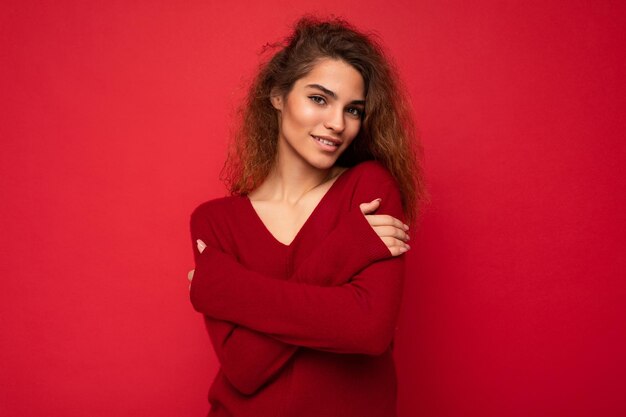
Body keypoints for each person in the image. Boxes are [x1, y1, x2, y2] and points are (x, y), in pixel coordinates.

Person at [187, 15, 427, 417]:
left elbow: (368, 331)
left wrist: (228, 288)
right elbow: (244, 368)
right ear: (278, 96)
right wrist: (348, 247)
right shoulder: (215, 222)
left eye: (353, 109)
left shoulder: (369, 188)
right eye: (319, 98)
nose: (337, 124)